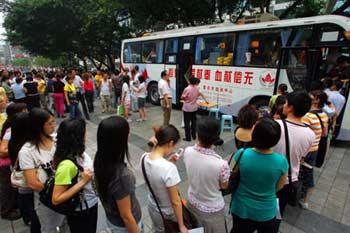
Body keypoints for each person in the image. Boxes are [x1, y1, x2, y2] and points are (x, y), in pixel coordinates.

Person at [230, 118, 288, 233]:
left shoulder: (241, 154)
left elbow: (231, 174)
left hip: (241, 207)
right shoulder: (281, 161)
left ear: (254, 135)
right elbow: (279, 187)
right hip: (266, 211)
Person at [18, 108, 67, 233]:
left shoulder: (57, 139)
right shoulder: (27, 151)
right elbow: (32, 183)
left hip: (67, 195)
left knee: (67, 226)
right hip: (47, 201)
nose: (53, 126)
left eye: (54, 122)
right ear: (38, 126)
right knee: (49, 228)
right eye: (49, 123)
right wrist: (57, 192)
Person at [273, 91, 315, 231]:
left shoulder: (275, 125)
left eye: (285, 103)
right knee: (277, 213)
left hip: (269, 176)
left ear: (290, 107)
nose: (283, 105)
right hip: (288, 180)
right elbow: (302, 157)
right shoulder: (310, 134)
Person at [94, 116, 143, 233]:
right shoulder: (122, 176)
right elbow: (126, 216)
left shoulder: (100, 159)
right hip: (125, 227)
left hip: (112, 219)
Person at [183, 117, 229, 233]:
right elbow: (224, 186)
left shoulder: (187, 151)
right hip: (212, 210)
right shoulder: (221, 164)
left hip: (192, 202)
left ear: (198, 134)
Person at [52, 119, 98, 233]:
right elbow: (56, 199)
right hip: (80, 210)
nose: (86, 135)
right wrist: (83, 182)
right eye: (84, 132)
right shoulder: (67, 165)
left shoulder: (79, 153)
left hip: (90, 204)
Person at [142, 125, 188, 233]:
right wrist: (181, 226)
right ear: (171, 143)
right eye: (174, 146)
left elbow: (156, 169)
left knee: (157, 229)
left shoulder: (143, 157)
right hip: (167, 213)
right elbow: (175, 201)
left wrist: (169, 162)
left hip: (153, 205)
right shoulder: (169, 168)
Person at [8, 112, 41, 232]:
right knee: (33, 208)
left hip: (22, 183)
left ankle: (27, 218)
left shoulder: (14, 140)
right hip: (29, 182)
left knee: (26, 203)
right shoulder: (26, 147)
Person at [299, 90, 329, 209]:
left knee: (305, 173)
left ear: (316, 100)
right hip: (315, 148)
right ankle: (304, 198)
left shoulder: (308, 116)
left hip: (306, 149)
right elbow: (324, 134)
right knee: (307, 171)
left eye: (311, 96)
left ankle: (303, 199)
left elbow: (302, 135)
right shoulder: (324, 114)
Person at [0, 103, 27, 221]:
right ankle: (6, 211)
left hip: (13, 162)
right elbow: (2, 151)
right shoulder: (11, 129)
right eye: (24, 110)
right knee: (7, 188)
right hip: (6, 164)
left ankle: (15, 206)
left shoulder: (17, 126)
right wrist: (20, 149)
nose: (27, 112)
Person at [181, 77, 207, 142]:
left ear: (189, 81)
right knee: (193, 122)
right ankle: (194, 136)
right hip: (194, 108)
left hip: (187, 108)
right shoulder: (197, 88)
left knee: (187, 123)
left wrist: (186, 99)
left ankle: (188, 138)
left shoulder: (187, 89)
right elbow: (199, 94)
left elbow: (183, 97)